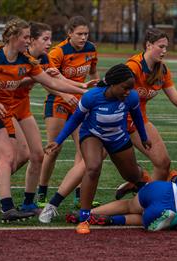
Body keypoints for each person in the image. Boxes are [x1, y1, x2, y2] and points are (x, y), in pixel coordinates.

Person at [0, 18, 87, 222]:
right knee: (8, 157)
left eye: (29, 37)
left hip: (9, 111)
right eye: (26, 37)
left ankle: (19, 204)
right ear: (12, 37)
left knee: (31, 155)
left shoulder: (28, 60)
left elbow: (53, 81)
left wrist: (85, 89)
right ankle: (6, 206)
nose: (28, 41)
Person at [43, 64, 150, 234]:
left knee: (132, 175)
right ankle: (84, 218)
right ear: (112, 84)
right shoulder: (92, 97)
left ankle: (138, 178)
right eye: (125, 88)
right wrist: (58, 140)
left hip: (117, 137)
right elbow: (75, 120)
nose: (128, 92)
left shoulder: (131, 97)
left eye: (131, 88)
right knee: (92, 168)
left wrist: (144, 137)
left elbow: (137, 117)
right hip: (92, 135)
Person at [114, 28, 177, 196]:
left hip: (139, 121)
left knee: (163, 163)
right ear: (148, 45)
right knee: (96, 164)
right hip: (117, 121)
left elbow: (176, 100)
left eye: (166, 47)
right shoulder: (133, 66)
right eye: (161, 46)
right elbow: (114, 92)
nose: (164, 51)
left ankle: (148, 198)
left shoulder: (163, 70)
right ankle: (66, 201)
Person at [37, 16, 99, 208]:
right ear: (69, 33)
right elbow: (49, 82)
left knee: (84, 149)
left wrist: (96, 92)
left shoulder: (91, 49)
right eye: (79, 34)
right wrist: (63, 96)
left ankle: (80, 195)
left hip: (79, 103)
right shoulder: (58, 52)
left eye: (86, 34)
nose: (83, 37)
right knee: (54, 149)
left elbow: (93, 74)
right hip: (58, 101)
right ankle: (41, 193)